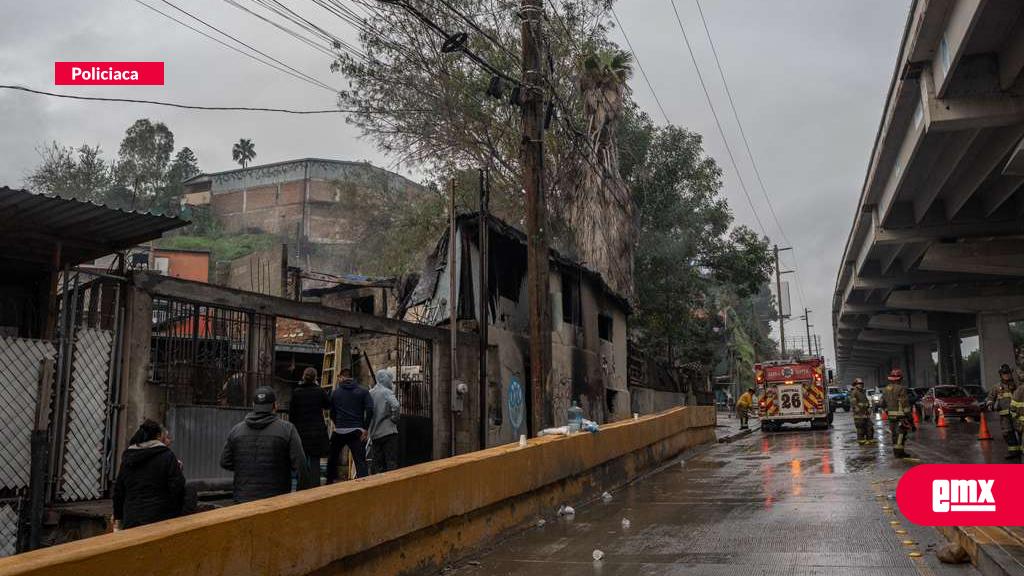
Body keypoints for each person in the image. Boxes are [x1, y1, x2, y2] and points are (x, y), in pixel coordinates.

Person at [220, 386, 308, 503]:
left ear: (253, 405)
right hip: (276, 500)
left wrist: (246, 466)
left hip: (242, 500)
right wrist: (301, 494)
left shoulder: (236, 430)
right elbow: (301, 465)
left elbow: (225, 461)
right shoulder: (288, 430)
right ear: (275, 406)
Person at [112, 419, 185, 530]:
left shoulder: (129, 456)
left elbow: (119, 491)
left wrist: (118, 517)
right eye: (167, 436)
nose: (169, 440)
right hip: (160, 519)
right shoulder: (167, 456)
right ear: (159, 436)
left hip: (131, 518)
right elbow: (177, 487)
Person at [327, 367, 375, 481]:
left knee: (332, 460)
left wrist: (337, 423)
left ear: (342, 377)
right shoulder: (363, 391)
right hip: (356, 431)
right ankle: (364, 487)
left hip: (339, 431)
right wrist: (365, 428)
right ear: (352, 378)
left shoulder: (334, 393)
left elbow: (331, 412)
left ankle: (329, 485)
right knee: (360, 462)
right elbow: (370, 409)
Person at [288, 367, 330, 488]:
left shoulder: (297, 392)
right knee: (315, 459)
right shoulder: (319, 391)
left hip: (301, 431)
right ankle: (315, 485)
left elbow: (292, 413)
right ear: (315, 378)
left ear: (303, 377)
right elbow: (328, 405)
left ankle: (302, 485)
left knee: (302, 459)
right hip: (316, 431)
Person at [368, 369, 401, 474]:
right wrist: (394, 418)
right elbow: (395, 405)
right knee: (391, 461)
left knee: (378, 462)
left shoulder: (370, 393)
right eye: (390, 379)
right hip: (388, 431)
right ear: (385, 379)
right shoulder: (387, 392)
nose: (391, 382)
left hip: (374, 433)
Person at [986, 364, 1020, 460]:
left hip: (1017, 415)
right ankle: (1013, 451)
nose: (1006, 375)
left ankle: (1021, 451)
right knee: (1008, 433)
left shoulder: (1017, 385)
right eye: (1004, 373)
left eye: (1008, 373)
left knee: (1020, 431)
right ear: (1001, 375)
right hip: (1005, 416)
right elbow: (990, 398)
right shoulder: (997, 387)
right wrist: (990, 405)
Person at [881, 368, 912, 458]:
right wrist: (909, 418)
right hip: (901, 417)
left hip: (891, 417)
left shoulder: (886, 389)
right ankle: (900, 453)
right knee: (901, 435)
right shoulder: (901, 388)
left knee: (894, 435)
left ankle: (896, 452)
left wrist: (887, 411)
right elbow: (905, 404)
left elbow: (881, 403)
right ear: (899, 379)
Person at [849, 378, 873, 445]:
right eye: (859, 384)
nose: (861, 385)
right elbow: (853, 402)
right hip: (859, 415)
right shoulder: (854, 392)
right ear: (855, 385)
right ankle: (861, 441)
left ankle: (869, 440)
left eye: (861, 384)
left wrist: (869, 407)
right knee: (860, 429)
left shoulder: (862, 392)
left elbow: (866, 401)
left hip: (865, 414)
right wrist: (857, 408)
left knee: (870, 427)